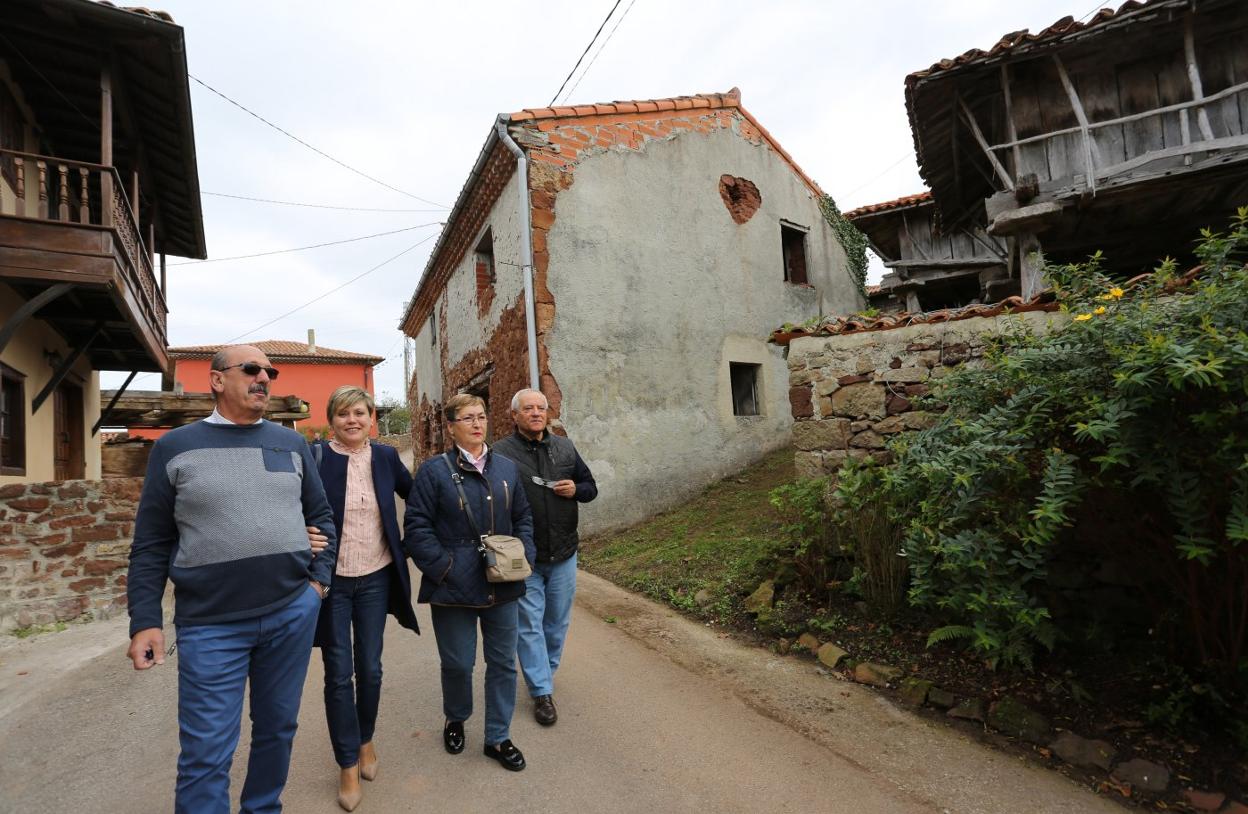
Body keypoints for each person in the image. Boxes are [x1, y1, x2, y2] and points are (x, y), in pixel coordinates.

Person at [126, 344, 338, 814]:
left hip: (290, 614)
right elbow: (152, 542)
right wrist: (145, 619)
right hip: (211, 624)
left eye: (270, 371)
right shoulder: (175, 448)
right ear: (217, 380)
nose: (264, 377)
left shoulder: (291, 443)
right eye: (251, 369)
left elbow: (321, 516)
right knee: (206, 753)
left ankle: (263, 807)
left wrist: (316, 587)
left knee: (278, 730)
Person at [403, 393, 535, 771]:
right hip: (453, 585)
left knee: (503, 664)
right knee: (458, 663)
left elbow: (523, 516)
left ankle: (498, 737)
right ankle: (456, 717)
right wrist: (443, 568)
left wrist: (522, 553)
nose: (477, 424)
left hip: (503, 581)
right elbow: (416, 526)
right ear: (451, 426)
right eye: (467, 418)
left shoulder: (507, 468)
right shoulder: (434, 471)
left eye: (481, 416)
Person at [307, 386, 417, 811]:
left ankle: (365, 739)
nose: (352, 420)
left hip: (374, 578)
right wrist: (301, 536)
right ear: (331, 419)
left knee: (369, 669)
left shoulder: (387, 458)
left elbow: (418, 499)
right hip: (331, 583)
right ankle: (347, 763)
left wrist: (419, 543)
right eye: (342, 414)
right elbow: (291, 509)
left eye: (359, 412)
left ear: (371, 416)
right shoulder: (315, 459)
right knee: (338, 675)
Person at [492, 389, 597, 726]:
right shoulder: (500, 454)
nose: (536, 413)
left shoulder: (564, 447)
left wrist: (576, 490)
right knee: (529, 625)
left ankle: (544, 674)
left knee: (557, 623)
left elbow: (590, 486)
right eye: (528, 408)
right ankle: (541, 692)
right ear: (514, 415)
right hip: (525, 557)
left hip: (564, 551)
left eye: (541, 407)